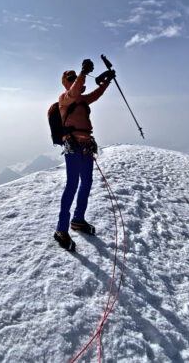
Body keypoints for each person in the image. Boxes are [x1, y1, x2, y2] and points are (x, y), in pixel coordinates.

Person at [54, 59, 115, 251]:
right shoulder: (65, 98)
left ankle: (78, 219)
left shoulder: (81, 99)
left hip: (85, 145)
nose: (74, 82)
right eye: (70, 79)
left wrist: (107, 81)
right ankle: (61, 229)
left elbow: (96, 94)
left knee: (86, 182)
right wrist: (82, 73)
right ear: (67, 82)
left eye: (75, 79)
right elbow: (74, 90)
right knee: (72, 184)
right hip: (72, 145)